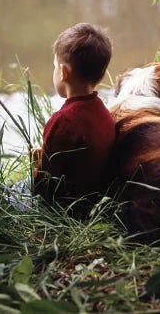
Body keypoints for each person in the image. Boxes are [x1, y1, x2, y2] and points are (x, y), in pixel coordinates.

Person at [30, 23, 116, 213]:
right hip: (93, 203)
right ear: (101, 76)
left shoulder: (62, 121)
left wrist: (37, 163)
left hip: (65, 209)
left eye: (54, 67)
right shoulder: (103, 112)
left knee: (4, 194)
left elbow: (43, 186)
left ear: (63, 72)